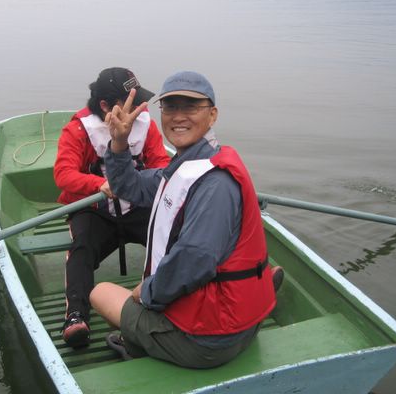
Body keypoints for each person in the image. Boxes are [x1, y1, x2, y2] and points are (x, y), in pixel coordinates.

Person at [90, 71, 283, 368]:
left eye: (191, 106)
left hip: (208, 341)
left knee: (101, 293)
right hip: (233, 320)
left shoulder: (215, 184)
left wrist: (147, 293)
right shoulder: (190, 166)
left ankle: (137, 343)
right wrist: (119, 144)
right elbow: (129, 186)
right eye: (170, 107)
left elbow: (194, 258)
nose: (178, 116)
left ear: (212, 114)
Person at [54, 67, 171, 348]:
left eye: (139, 100)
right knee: (82, 246)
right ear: (105, 105)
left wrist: (143, 183)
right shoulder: (78, 129)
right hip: (95, 210)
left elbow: (161, 163)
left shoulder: (145, 124)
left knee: (173, 232)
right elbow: (63, 174)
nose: (139, 109)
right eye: (130, 102)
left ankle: (174, 297)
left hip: (137, 204)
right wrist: (99, 184)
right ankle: (75, 316)